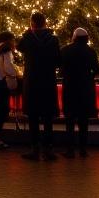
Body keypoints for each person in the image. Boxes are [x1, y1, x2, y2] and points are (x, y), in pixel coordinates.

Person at [18, 11, 60, 160]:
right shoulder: (53, 40)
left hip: (32, 83)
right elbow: (57, 61)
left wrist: (28, 31)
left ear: (32, 23)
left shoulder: (27, 39)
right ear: (45, 23)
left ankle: (34, 149)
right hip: (48, 82)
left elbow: (19, 47)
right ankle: (48, 150)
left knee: (33, 118)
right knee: (48, 119)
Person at [60, 27, 99, 157]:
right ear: (87, 38)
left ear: (74, 37)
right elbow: (97, 71)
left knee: (70, 121)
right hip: (86, 90)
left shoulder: (65, 50)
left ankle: (70, 149)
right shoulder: (91, 52)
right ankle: (83, 149)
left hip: (70, 89)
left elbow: (61, 69)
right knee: (83, 121)